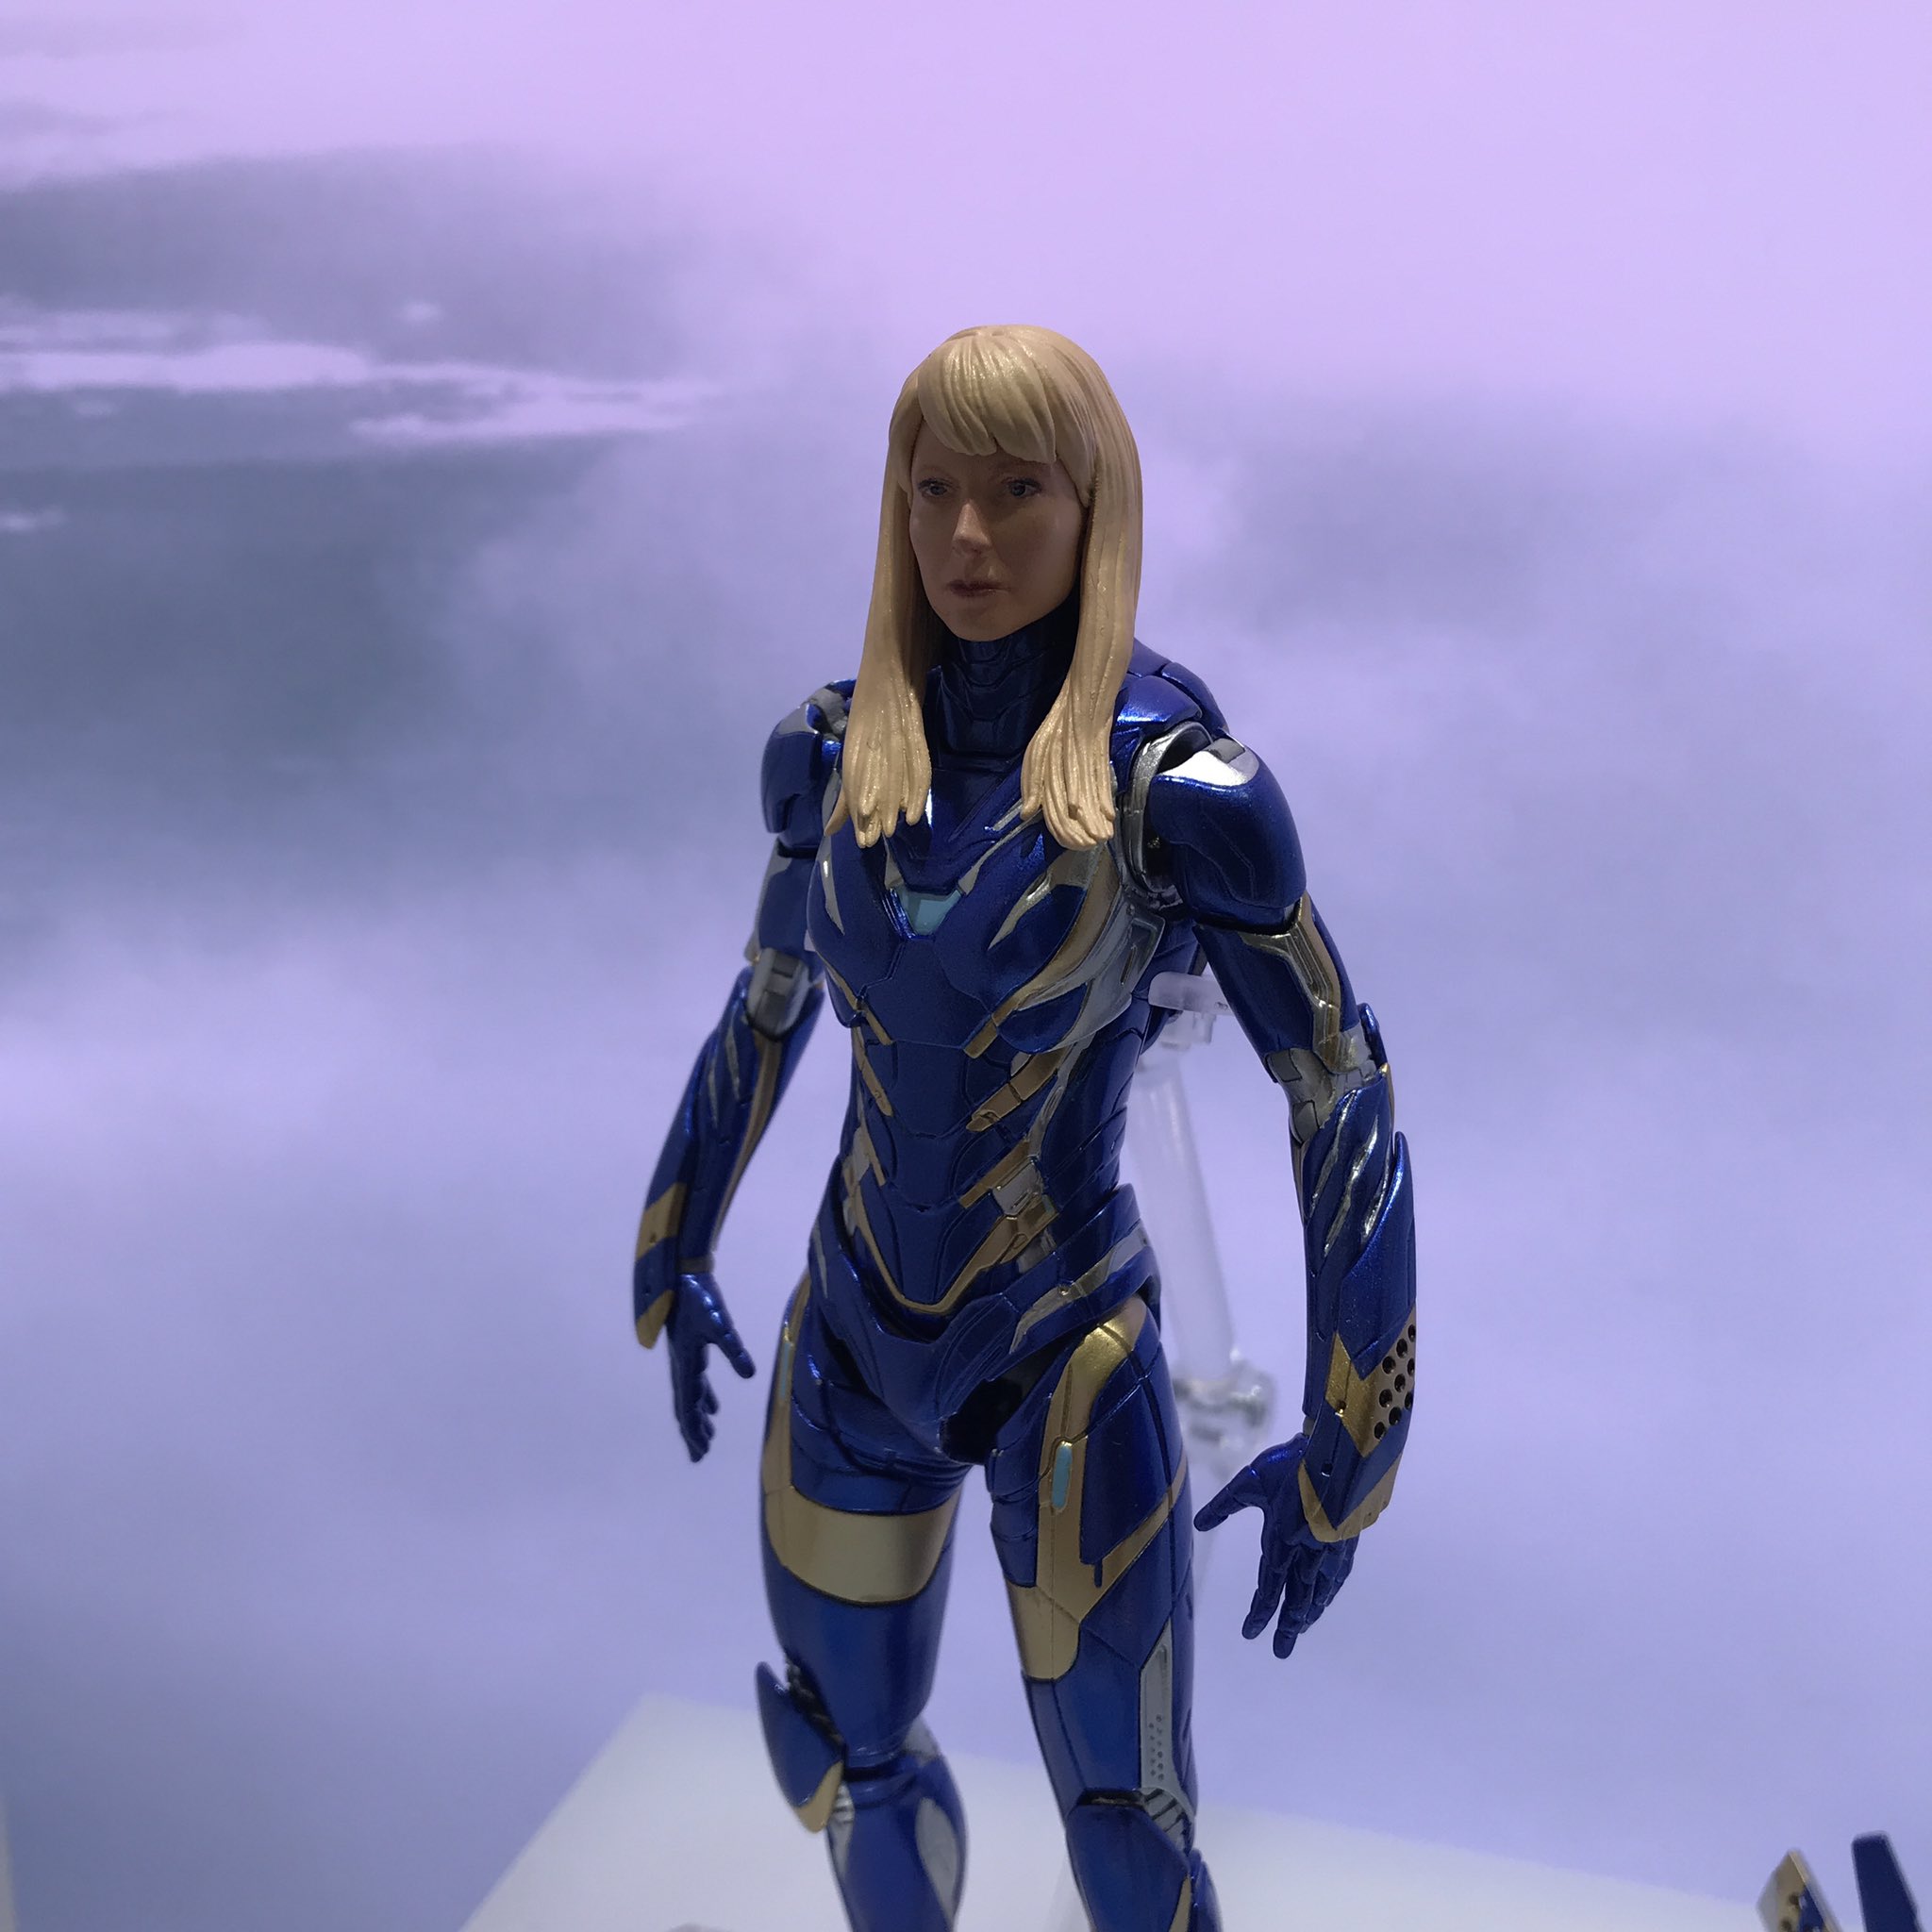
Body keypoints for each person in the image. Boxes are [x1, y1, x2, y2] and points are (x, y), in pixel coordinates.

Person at [632, 325, 1416, 1932]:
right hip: (850, 1340)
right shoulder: (832, 756)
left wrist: (1356, 1439)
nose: (967, 537)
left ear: (1093, 507)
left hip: (1065, 1355)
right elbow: (768, 1003)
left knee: (1128, 1835)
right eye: (934, 492)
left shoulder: (1177, 789)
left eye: (1015, 492)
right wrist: (677, 1235)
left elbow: (1339, 1087)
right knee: (848, 1758)